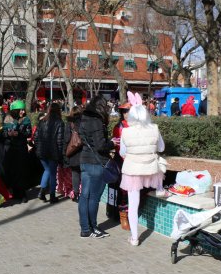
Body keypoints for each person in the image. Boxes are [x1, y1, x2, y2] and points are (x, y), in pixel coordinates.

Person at [120, 92, 166, 246]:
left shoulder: (126, 131)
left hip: (132, 170)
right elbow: (161, 147)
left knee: (133, 205)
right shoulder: (154, 128)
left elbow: (122, 152)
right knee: (159, 173)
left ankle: (134, 238)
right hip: (151, 168)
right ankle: (160, 188)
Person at [78, 95, 115, 238]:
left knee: (84, 196)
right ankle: (93, 227)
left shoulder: (84, 119)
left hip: (85, 160)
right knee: (94, 198)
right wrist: (112, 143)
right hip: (96, 162)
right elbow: (100, 146)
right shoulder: (97, 121)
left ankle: (85, 229)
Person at [1, 100, 32, 203]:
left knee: (21, 172)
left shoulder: (26, 120)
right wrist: (8, 134)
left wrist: (19, 133)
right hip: (10, 148)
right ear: (14, 111)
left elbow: (28, 133)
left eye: (23, 110)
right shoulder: (7, 119)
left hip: (21, 149)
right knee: (12, 171)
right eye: (20, 110)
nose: (22, 112)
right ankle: (15, 192)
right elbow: (2, 132)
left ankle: (23, 194)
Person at [34, 102, 65, 203]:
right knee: (52, 173)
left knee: (47, 170)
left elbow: (36, 137)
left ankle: (42, 192)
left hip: (41, 151)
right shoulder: (59, 122)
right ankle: (52, 195)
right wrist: (61, 154)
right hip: (53, 151)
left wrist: (38, 148)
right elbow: (60, 140)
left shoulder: (42, 121)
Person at [64, 105, 84, 202]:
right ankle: (84, 193)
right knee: (84, 174)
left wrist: (65, 152)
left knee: (75, 174)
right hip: (84, 153)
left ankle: (76, 194)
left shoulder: (69, 124)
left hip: (73, 152)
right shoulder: (85, 123)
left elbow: (66, 139)